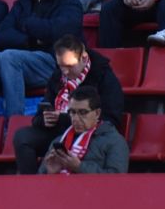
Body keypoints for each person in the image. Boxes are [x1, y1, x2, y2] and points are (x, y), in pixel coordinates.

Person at [12, 37, 126, 174]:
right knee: (22, 137)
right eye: (61, 66)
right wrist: (45, 119)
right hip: (58, 133)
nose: (65, 72)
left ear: (83, 58)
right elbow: (39, 114)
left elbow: (111, 118)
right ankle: (30, 185)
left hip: (91, 133)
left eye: (69, 66)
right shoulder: (57, 76)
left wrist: (67, 118)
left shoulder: (104, 77)